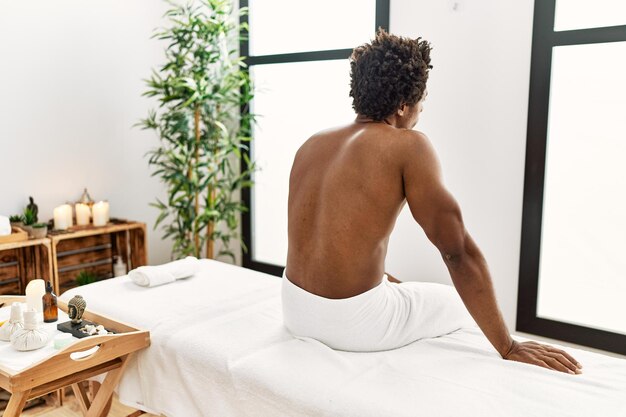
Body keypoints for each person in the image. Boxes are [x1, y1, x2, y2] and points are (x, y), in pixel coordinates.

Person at [282, 29, 582, 375]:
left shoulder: (312, 144)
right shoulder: (408, 145)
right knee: (453, 303)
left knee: (400, 286)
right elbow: (458, 252)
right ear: (403, 105)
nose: (421, 112)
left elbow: (320, 238)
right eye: (421, 101)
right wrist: (508, 344)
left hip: (294, 309)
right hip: (353, 324)